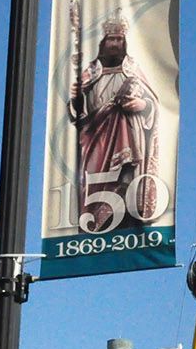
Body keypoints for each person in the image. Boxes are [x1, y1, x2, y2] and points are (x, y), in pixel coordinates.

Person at [67, 13, 161, 234]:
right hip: (97, 136)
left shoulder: (132, 69)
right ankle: (98, 220)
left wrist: (142, 104)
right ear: (104, 42)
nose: (115, 44)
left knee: (126, 178)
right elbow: (78, 114)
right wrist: (75, 97)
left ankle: (128, 218)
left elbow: (152, 102)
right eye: (111, 39)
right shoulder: (92, 71)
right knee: (97, 183)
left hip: (129, 134)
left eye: (119, 39)